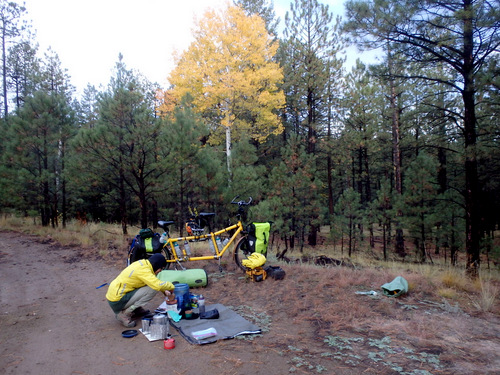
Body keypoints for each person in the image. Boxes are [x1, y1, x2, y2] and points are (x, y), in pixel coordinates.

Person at [106, 253, 174, 328]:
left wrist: (164, 291)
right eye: (161, 268)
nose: (160, 271)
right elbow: (157, 285)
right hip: (117, 301)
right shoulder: (144, 270)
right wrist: (172, 286)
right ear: (157, 265)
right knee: (153, 289)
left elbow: (153, 281)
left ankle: (135, 310)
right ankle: (124, 314)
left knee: (150, 285)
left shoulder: (143, 264)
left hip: (117, 295)